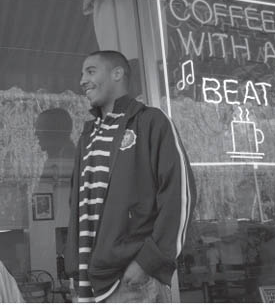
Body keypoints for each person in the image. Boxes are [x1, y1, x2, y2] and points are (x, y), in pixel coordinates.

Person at [64, 50, 196, 302]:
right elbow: (77, 210)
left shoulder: (151, 122)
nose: (82, 80)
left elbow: (179, 196)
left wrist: (148, 262)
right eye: (82, 73)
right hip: (89, 285)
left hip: (133, 282)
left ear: (117, 73)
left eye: (90, 71)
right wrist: (73, 268)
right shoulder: (87, 137)